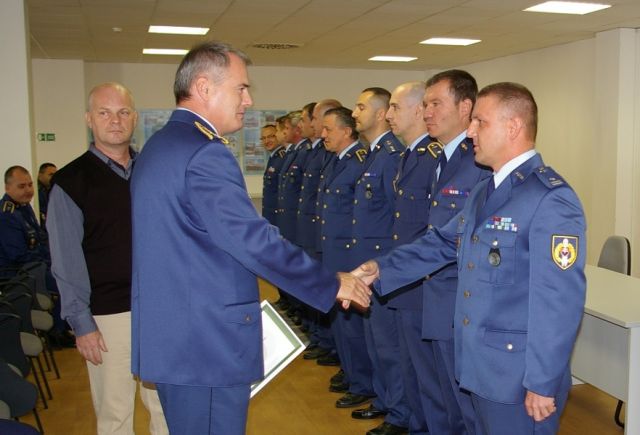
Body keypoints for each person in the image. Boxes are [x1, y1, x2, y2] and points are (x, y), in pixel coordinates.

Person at [129, 41, 371, 435]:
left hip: (177, 337)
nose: (248, 100)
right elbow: (251, 240)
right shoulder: (205, 153)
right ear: (204, 87)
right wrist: (331, 282)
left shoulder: (161, 145)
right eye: (241, 88)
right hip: (206, 344)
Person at [353, 82, 586, 435]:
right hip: (479, 366)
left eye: (480, 122)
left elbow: (559, 302)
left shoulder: (550, 198)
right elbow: (441, 244)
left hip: (517, 379)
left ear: (513, 127)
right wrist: (380, 268)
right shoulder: (484, 191)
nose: (471, 131)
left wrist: (542, 381)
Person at [47, 82, 168, 435]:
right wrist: (81, 323)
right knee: (115, 415)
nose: (115, 120)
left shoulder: (154, 171)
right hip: (107, 317)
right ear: (89, 119)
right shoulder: (70, 182)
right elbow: (66, 261)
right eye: (104, 113)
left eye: (123, 112)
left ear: (135, 118)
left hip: (160, 310)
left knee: (167, 409)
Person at [421, 70, 491, 435]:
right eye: (425, 104)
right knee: (447, 404)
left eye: (436, 103)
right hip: (437, 298)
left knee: (467, 413)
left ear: (465, 107)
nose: (427, 112)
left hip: (460, 304)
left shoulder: (478, 164)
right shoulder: (442, 158)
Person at [385, 81, 444, 435]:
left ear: (418, 110)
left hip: (423, 283)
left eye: (395, 107)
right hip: (405, 277)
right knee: (411, 367)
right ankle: (415, 424)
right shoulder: (409, 155)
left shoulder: (433, 158)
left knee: (428, 375)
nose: (388, 115)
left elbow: (433, 229)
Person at [350, 87, 409, 435]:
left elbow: (396, 221)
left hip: (382, 267)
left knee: (388, 345)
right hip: (368, 267)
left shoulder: (391, 156)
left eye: (361, 107)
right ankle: (386, 400)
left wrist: (386, 267)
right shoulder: (372, 154)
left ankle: (399, 414)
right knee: (375, 342)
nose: (354, 113)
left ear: (380, 113)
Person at [317, 106, 375, 410]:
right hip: (333, 254)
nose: (323, 134)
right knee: (341, 324)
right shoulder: (337, 161)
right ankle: (352, 374)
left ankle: (362, 382)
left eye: (329, 129)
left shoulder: (359, 161)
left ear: (346, 131)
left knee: (352, 326)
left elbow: (361, 217)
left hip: (350, 257)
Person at [260, 124, 285, 226]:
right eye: (263, 138)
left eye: (271, 136)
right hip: (271, 214)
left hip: (279, 216)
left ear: (278, 135)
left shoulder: (283, 157)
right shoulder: (273, 158)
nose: (267, 141)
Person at [37, 162, 56, 226]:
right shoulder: (37, 192)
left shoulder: (52, 190)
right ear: (40, 175)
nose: (54, 177)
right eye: (51, 174)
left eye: (55, 175)